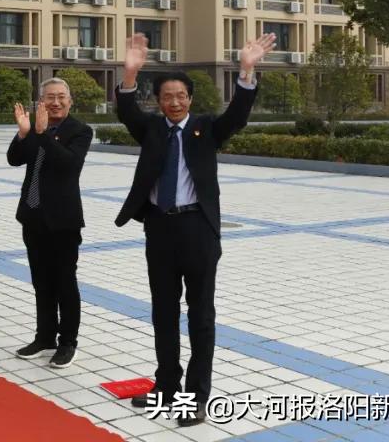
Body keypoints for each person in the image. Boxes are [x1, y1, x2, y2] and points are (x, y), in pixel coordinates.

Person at [116, 33, 274, 427]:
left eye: (180, 96)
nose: (174, 103)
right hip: (160, 230)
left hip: (198, 230)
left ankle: (196, 396)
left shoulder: (206, 129)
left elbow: (237, 115)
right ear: (158, 100)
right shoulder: (151, 129)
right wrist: (131, 72)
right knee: (163, 313)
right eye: (166, 96)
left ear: (190, 98)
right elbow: (126, 111)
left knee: (200, 316)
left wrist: (247, 69)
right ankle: (166, 387)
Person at [8, 77, 93, 369]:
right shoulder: (35, 125)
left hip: (63, 220)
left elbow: (68, 164)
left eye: (60, 97)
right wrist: (23, 134)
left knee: (65, 282)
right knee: (41, 282)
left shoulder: (80, 130)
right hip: (32, 216)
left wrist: (42, 134)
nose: (55, 102)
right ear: (40, 101)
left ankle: (67, 342)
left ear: (70, 101)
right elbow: (14, 160)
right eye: (49, 97)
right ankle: (44, 336)